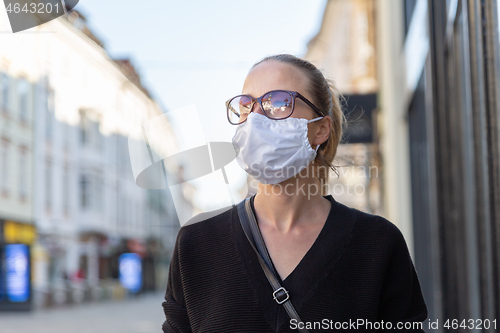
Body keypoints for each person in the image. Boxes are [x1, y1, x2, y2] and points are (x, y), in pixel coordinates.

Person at [162, 54, 428, 333]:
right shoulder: (197, 243)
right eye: (245, 105)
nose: (254, 119)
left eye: (277, 103)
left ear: (320, 129)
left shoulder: (377, 244)